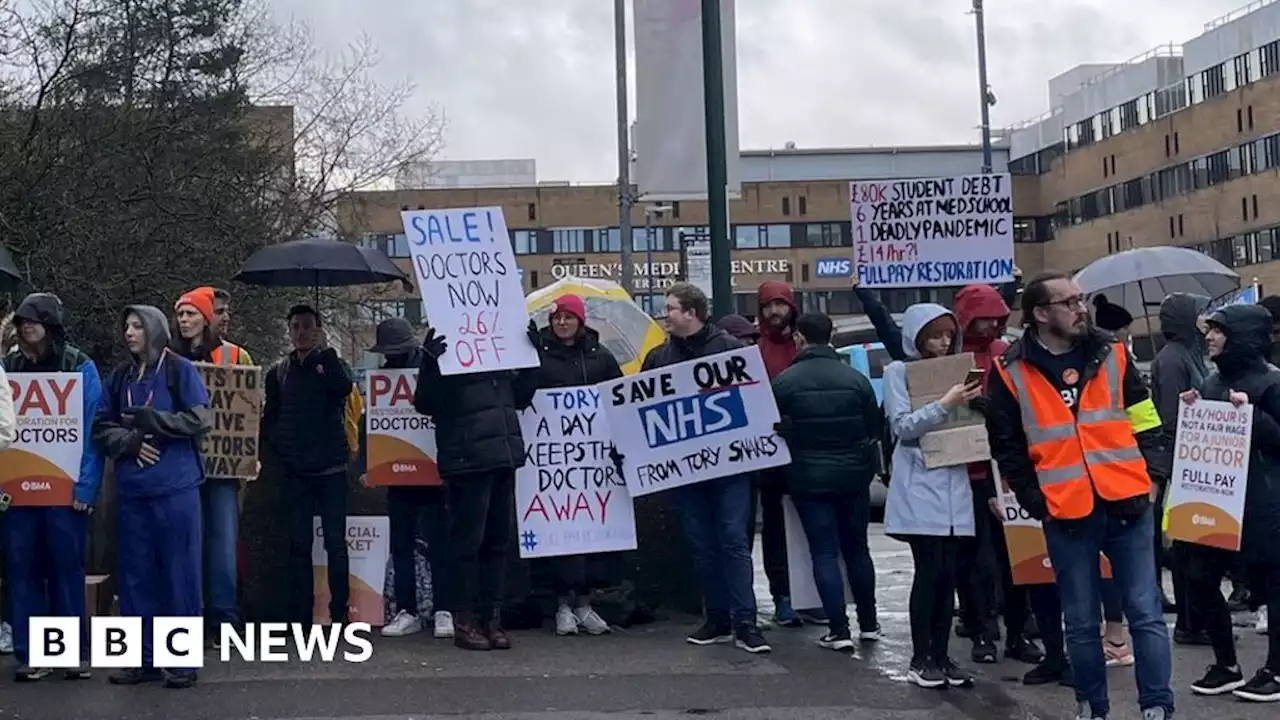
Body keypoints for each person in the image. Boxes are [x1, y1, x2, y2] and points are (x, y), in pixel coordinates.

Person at [985, 271, 1172, 720]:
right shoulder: (1010, 370)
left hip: (1127, 501)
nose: (1080, 308)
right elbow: (1006, 447)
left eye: (1080, 299)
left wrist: (1154, 478)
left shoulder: (1112, 353)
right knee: (1082, 623)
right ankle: (1092, 707)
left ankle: (1157, 708)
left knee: (1145, 614)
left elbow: (1145, 418)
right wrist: (1036, 500)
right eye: (1068, 302)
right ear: (1040, 314)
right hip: (1066, 510)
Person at [633, 282, 770, 653]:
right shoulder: (658, 358)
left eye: (671, 309)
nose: (666, 316)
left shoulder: (730, 350)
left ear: (691, 312)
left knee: (733, 540)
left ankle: (746, 621)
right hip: (686, 471)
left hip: (730, 468)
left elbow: (758, 400)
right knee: (701, 545)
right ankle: (718, 618)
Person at [93, 305, 210, 688]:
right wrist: (128, 442)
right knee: (134, 578)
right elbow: (100, 426)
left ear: (155, 331)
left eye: (137, 326)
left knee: (179, 575)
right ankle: (140, 659)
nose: (128, 332)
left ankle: (180, 661)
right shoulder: (120, 376)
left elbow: (200, 420)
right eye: (125, 325)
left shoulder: (179, 370)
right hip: (133, 492)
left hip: (175, 489)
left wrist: (154, 422)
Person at [413, 318, 538, 651]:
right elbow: (425, 402)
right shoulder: (443, 341)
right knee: (468, 542)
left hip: (502, 453)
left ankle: (491, 618)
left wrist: (531, 357)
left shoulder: (500, 343)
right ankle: (465, 619)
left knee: (497, 542)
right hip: (467, 457)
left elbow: (521, 397)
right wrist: (430, 361)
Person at [1179, 304, 1280, 703]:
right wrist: (1193, 411)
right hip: (1217, 502)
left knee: (1273, 586)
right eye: (1210, 330)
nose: (1209, 337)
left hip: (1264, 502)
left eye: (1219, 331)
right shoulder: (1209, 384)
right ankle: (1226, 663)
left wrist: (1253, 417)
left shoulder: (1272, 384)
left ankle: (1275, 668)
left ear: (1243, 336)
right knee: (1199, 577)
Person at [3, 294, 101, 682]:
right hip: (16, 491)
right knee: (21, 568)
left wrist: (87, 488)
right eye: (23, 321)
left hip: (64, 490)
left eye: (36, 320)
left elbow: (93, 430)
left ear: (52, 323)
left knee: (65, 567)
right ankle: (31, 653)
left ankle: (71, 651)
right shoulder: (6, 367)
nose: (28, 326)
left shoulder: (80, 366)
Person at [882, 302, 980, 689]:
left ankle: (942, 655)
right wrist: (945, 404)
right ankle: (921, 656)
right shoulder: (898, 372)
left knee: (950, 577)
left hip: (955, 482)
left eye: (947, 335)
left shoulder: (957, 370)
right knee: (930, 573)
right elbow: (903, 426)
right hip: (921, 483)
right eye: (934, 335)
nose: (941, 343)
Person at [771, 311, 882, 649]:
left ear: (799, 337)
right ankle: (869, 622)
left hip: (808, 478)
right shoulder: (856, 379)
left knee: (823, 551)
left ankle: (838, 629)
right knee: (858, 549)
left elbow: (772, 431)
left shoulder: (785, 382)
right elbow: (874, 429)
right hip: (853, 477)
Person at [949, 283, 1042, 666]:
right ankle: (984, 629)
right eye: (981, 316)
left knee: (1014, 557)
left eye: (995, 317)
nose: (989, 325)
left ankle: (1017, 632)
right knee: (976, 559)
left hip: (1007, 469)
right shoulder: (952, 360)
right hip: (969, 472)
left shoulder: (1007, 354)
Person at [529, 295, 624, 636]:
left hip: (591, 464)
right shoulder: (536, 357)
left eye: (569, 317)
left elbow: (618, 398)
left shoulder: (600, 358)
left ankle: (583, 603)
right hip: (552, 466)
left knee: (589, 538)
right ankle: (562, 605)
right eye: (557, 318)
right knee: (558, 537)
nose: (562, 323)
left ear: (581, 321)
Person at [359, 318, 455, 641]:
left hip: (430, 470)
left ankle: (445, 609)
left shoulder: (430, 370)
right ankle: (407, 609)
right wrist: (368, 464)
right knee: (400, 544)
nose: (393, 357)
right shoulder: (383, 378)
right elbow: (370, 421)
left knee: (439, 543)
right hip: (398, 472)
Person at [262, 305, 354, 627]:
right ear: (289, 332)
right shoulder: (279, 372)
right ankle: (301, 616)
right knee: (299, 544)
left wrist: (325, 353)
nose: (301, 333)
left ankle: (339, 612)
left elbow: (344, 388)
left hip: (330, 468)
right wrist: (279, 441)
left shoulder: (331, 364)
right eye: (296, 327)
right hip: (295, 470)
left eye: (307, 327)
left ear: (318, 330)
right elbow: (269, 415)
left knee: (335, 544)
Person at [171, 286, 255, 641]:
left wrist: (250, 454)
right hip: (180, 464)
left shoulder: (237, 355)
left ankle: (223, 617)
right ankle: (189, 614)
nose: (185, 320)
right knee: (184, 543)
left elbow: (251, 409)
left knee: (222, 543)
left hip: (224, 467)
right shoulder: (167, 357)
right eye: (181, 314)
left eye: (192, 314)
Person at [752, 280, 822, 626]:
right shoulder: (754, 348)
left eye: (779, 305)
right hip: (768, 452)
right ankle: (783, 595)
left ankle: (810, 595)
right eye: (767, 306)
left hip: (804, 448)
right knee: (776, 527)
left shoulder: (805, 345)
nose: (773, 312)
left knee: (811, 524)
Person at [1148, 292, 1211, 639]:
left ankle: (1194, 616)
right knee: (1187, 546)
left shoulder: (1190, 354)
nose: (1205, 319)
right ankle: (1190, 620)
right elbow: (1172, 416)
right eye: (1200, 312)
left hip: (1191, 459)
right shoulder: (1173, 359)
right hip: (1181, 462)